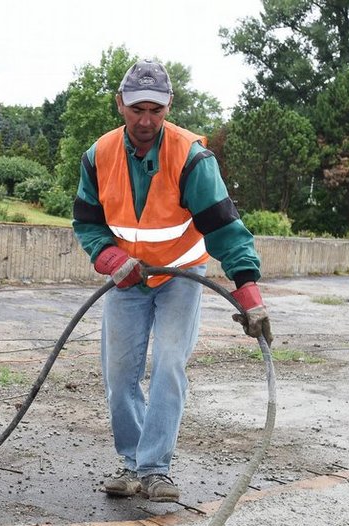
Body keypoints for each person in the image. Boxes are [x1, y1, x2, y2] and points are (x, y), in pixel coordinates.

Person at [72, 59, 272, 502]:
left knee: (167, 363)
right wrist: (109, 258)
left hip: (181, 275)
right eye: (137, 109)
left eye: (156, 111)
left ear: (169, 107)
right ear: (120, 103)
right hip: (126, 280)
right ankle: (132, 464)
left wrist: (249, 294)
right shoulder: (99, 155)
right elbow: (87, 222)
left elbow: (224, 228)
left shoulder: (191, 157)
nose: (146, 121)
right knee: (119, 373)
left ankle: (155, 468)